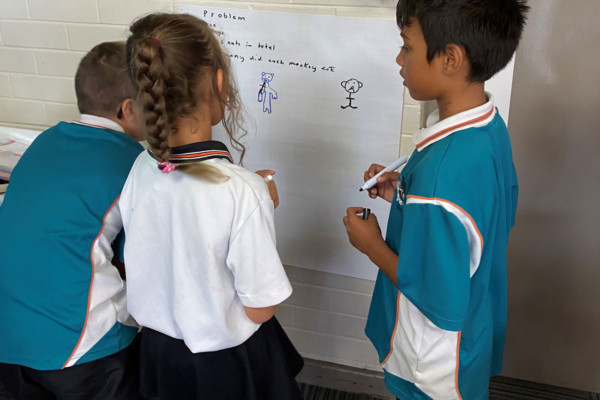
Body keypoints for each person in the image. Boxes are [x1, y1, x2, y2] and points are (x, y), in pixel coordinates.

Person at [343, 1, 528, 399]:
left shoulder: (440, 173)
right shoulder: (488, 128)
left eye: (407, 46)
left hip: (432, 366)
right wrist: (406, 195)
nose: (399, 58)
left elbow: (439, 298)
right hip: (472, 339)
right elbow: (484, 218)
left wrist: (372, 246)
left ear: (450, 59)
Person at [119, 13, 303, 400]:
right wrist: (257, 206)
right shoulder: (243, 192)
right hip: (225, 365)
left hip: (156, 355)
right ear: (218, 81)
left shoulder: (141, 167)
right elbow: (261, 309)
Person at [0, 42, 145, 399]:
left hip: (9, 340)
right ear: (127, 110)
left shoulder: (45, 140)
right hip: (81, 351)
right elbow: (138, 263)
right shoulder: (133, 163)